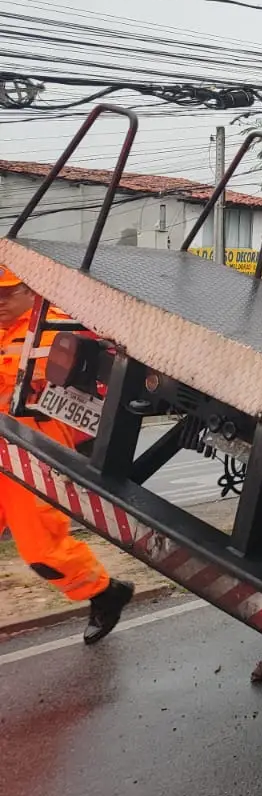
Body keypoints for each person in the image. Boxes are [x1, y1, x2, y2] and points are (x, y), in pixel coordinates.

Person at [0, 267, 133, 643]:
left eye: (9, 293)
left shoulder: (59, 328)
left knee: (42, 549)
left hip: (32, 451)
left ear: (32, 289)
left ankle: (105, 592)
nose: (0, 303)